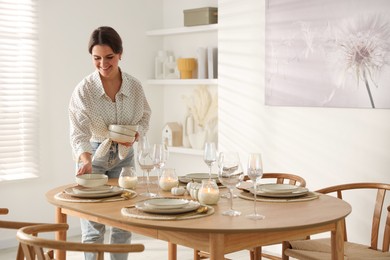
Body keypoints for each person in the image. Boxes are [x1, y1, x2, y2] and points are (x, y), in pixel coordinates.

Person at [68, 26, 151, 260]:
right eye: (97, 58)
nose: (103, 64)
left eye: (109, 57)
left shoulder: (134, 86)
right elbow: (78, 131)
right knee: (93, 228)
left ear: (120, 53)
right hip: (93, 155)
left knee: (123, 224)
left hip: (125, 155)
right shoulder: (84, 90)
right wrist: (85, 159)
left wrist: (137, 134)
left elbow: (145, 115)